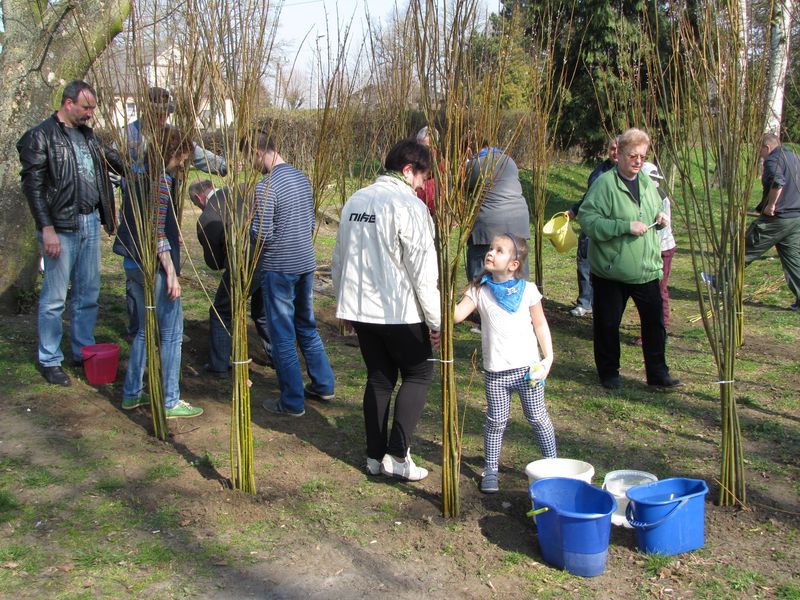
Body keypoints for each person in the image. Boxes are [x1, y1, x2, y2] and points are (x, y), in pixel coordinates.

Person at [332, 139, 441, 481]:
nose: (422, 186)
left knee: (379, 378)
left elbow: (339, 257)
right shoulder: (410, 206)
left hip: (363, 310)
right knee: (419, 374)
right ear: (409, 170)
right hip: (399, 311)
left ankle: (374, 457)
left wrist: (344, 304)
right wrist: (436, 321)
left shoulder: (356, 200)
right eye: (422, 177)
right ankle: (397, 455)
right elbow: (423, 272)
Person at [17, 80, 123, 386]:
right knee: (54, 298)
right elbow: (34, 188)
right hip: (60, 227)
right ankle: (49, 358)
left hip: (90, 221)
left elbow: (113, 161)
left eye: (93, 108)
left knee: (88, 293)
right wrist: (46, 228)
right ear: (68, 103)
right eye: (86, 107)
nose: (90, 114)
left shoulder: (88, 136)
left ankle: (83, 350)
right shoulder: (41, 136)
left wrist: (142, 164)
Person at [119, 87, 228, 338]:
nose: (163, 118)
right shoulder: (129, 136)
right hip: (139, 220)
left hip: (163, 215)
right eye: (158, 113)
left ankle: (159, 330)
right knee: (140, 278)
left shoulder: (173, 135)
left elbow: (197, 154)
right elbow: (112, 167)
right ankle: (143, 331)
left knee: (162, 276)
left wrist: (224, 165)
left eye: (166, 113)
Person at [578, 128, 681, 390]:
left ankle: (658, 375)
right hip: (612, 271)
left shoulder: (646, 182)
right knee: (608, 325)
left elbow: (652, 209)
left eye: (642, 157)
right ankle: (609, 373)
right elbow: (588, 221)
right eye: (633, 156)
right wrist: (624, 226)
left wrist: (660, 218)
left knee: (654, 324)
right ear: (620, 155)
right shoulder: (604, 184)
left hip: (646, 269)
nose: (638, 161)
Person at [453, 234, 556, 493]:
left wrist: (548, 358)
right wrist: (438, 291)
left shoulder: (528, 290)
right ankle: (491, 470)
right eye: (491, 248)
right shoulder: (479, 290)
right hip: (496, 373)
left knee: (537, 417)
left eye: (499, 250)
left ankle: (553, 464)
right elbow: (456, 316)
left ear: (513, 264)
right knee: (496, 421)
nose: (490, 253)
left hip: (528, 371)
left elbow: (540, 325)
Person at [113, 128, 203, 418]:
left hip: (133, 264)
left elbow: (144, 221)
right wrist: (171, 274)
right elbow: (155, 233)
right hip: (153, 268)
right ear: (172, 154)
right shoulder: (161, 182)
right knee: (172, 334)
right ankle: (170, 400)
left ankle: (132, 393)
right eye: (183, 157)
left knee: (145, 330)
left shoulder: (135, 178)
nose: (183, 163)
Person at [244, 131, 335, 417]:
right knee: (306, 326)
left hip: (279, 268)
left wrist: (249, 225)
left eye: (248, 159)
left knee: (282, 334)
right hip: (306, 263)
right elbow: (309, 224)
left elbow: (262, 234)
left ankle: (292, 401)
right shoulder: (301, 178)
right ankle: (323, 384)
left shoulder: (266, 186)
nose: (249, 165)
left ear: (257, 152)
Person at [188, 179, 272, 375]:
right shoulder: (244, 189)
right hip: (271, 256)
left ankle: (219, 365)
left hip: (244, 265)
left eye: (196, 204)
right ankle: (280, 358)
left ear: (199, 198)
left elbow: (214, 263)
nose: (199, 207)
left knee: (221, 312)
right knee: (262, 312)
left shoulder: (207, 218)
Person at [745, 133, 800, 311]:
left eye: (759, 150)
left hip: (778, 218)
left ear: (767, 147)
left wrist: (770, 205)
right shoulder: (794, 157)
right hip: (795, 218)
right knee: (794, 262)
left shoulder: (773, 160)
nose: (759, 154)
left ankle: (722, 282)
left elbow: (777, 183)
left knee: (745, 248)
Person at [566, 136, 619, 317]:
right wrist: (574, 211)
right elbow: (589, 197)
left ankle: (605, 305)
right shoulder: (599, 172)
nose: (615, 152)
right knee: (584, 261)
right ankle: (585, 302)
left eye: (619, 148)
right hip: (591, 225)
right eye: (612, 148)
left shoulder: (627, 174)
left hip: (611, 228)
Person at [466, 143, 531, 282]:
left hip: (488, 225)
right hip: (519, 220)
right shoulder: (509, 161)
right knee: (518, 265)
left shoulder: (475, 164)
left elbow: (461, 188)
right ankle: (519, 292)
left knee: (480, 271)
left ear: (470, 150)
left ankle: (479, 292)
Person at [415, 126, 437, 215]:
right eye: (419, 145)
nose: (422, 149)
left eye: (426, 146)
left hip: (431, 207)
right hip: (416, 204)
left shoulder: (437, 160)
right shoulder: (412, 157)